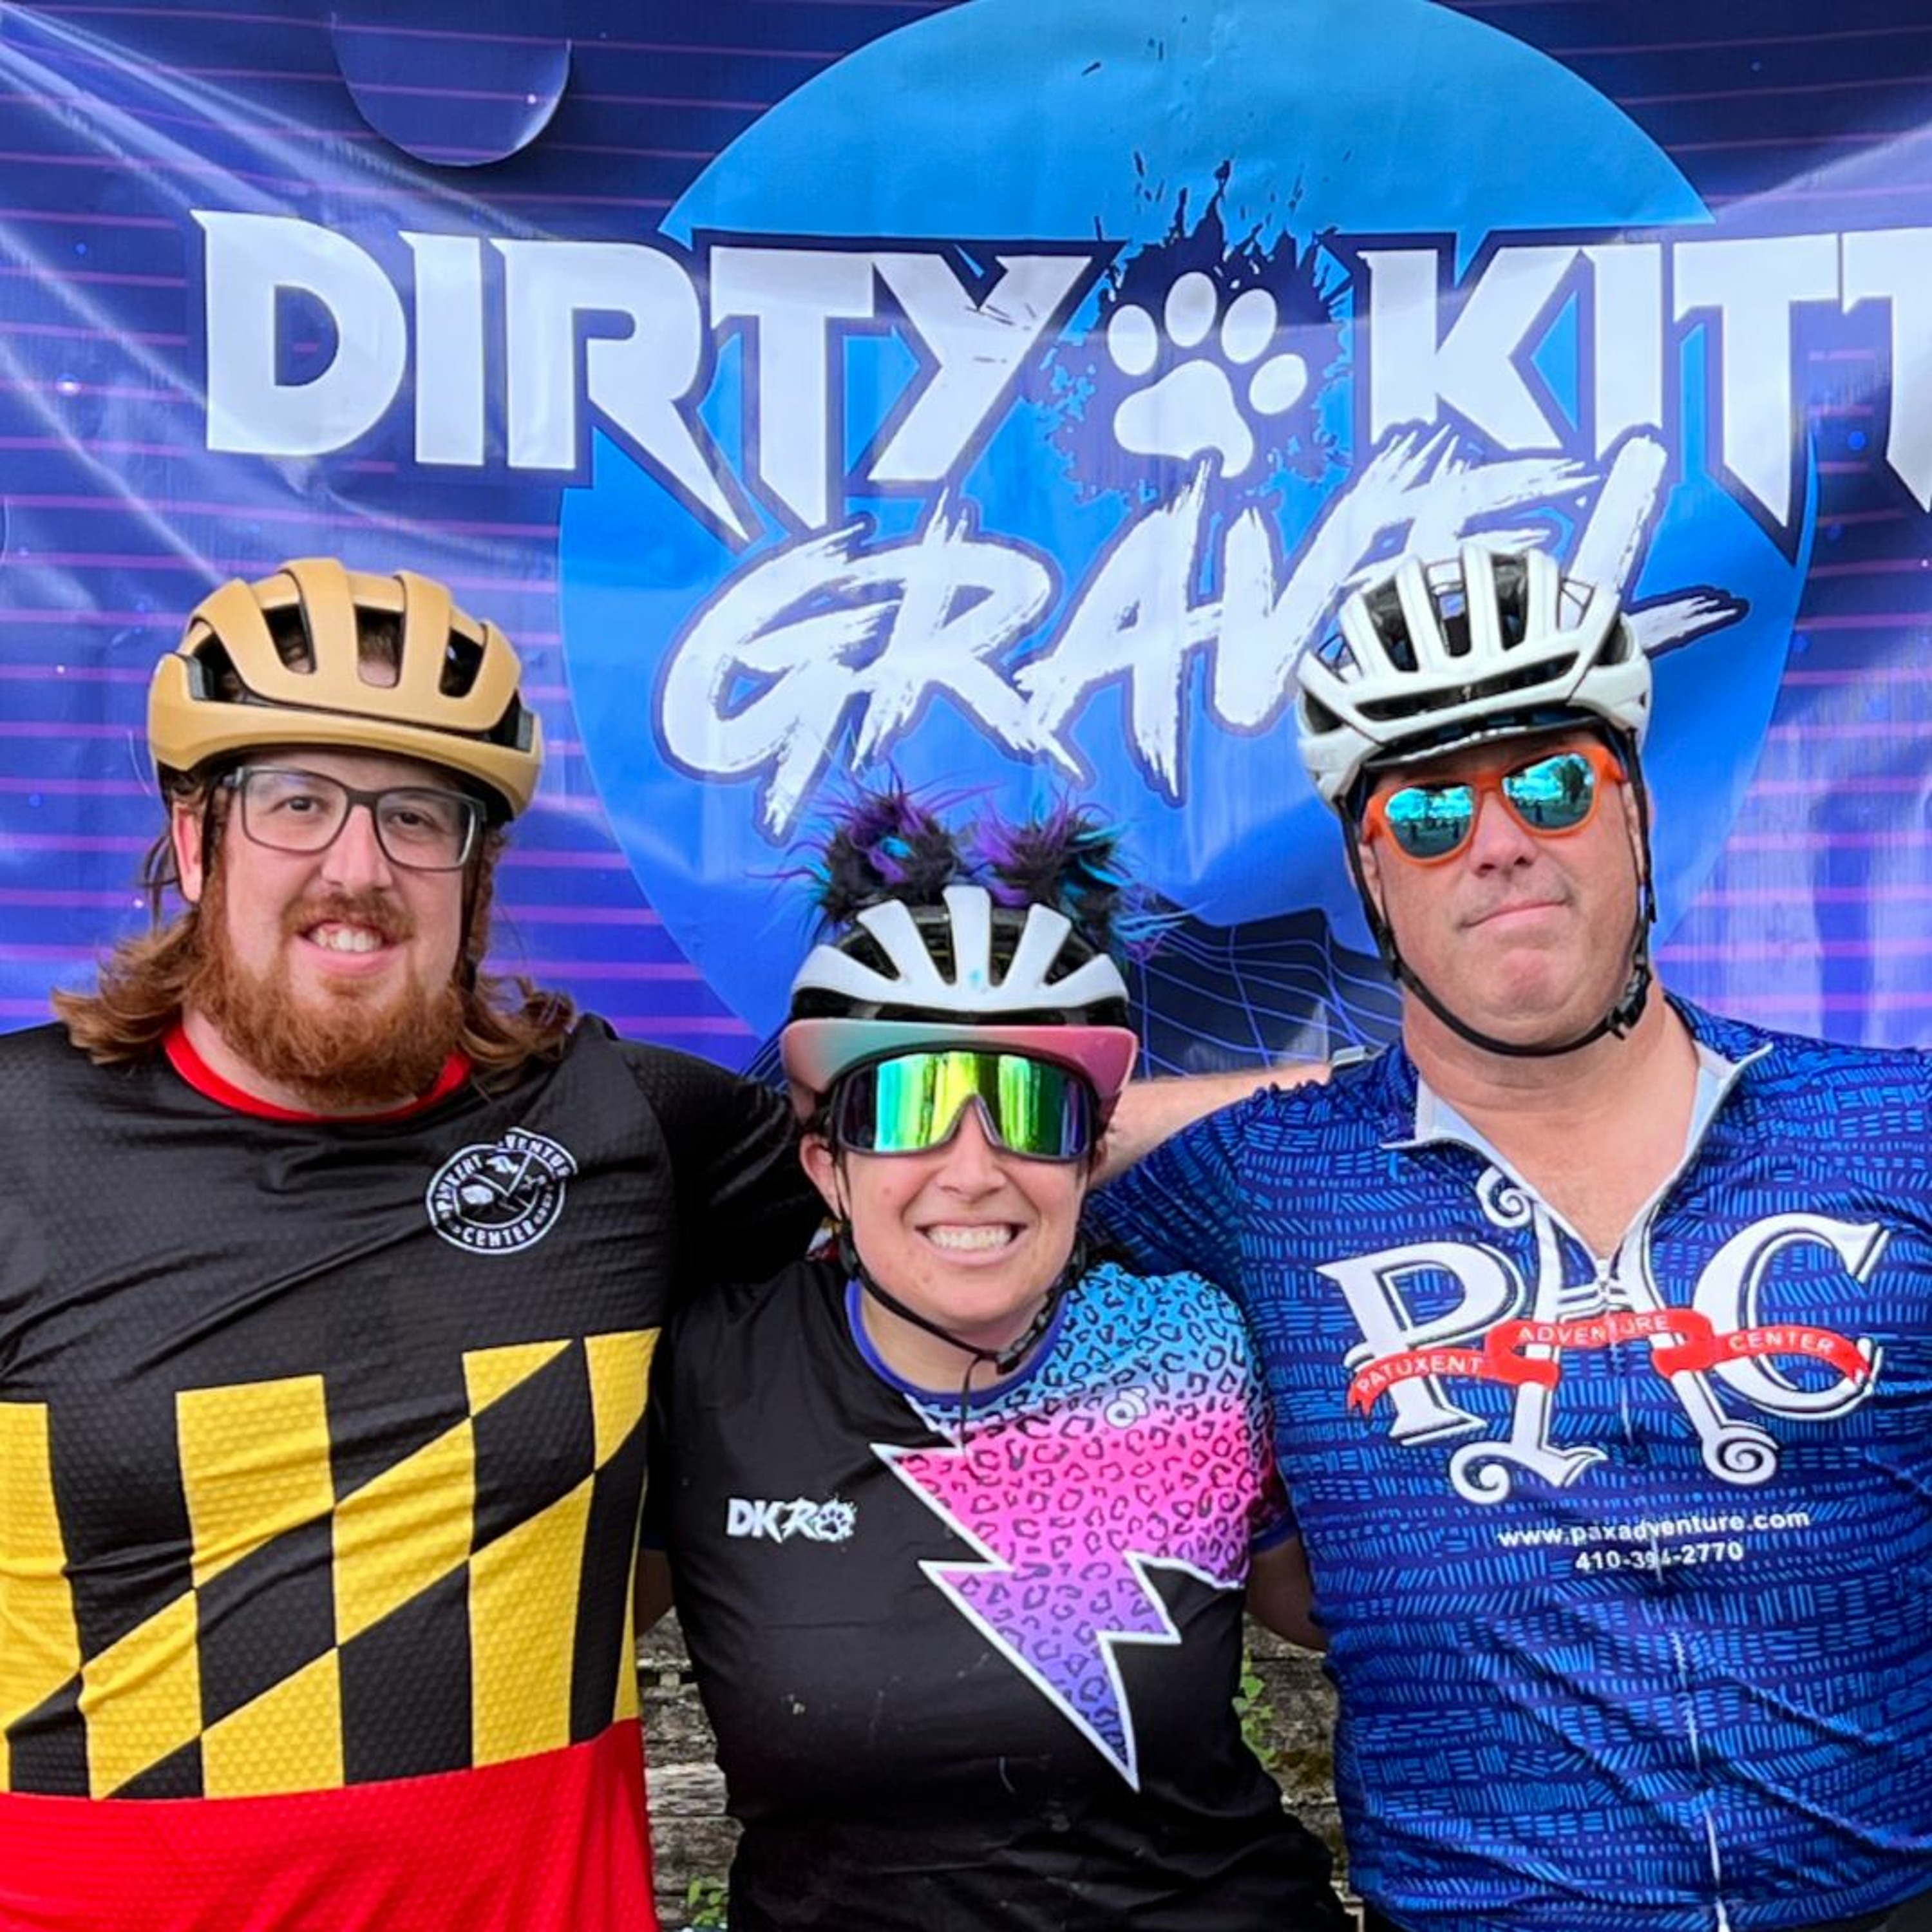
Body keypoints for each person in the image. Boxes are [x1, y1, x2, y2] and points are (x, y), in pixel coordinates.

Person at [1092, 544, 1932, 1932]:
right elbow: (970, 1152)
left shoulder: (1893, 1128)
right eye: (1426, 812)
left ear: (1636, 815)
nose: (1496, 840)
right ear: (1371, 875)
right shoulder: (1264, 1178)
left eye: (1551, 784)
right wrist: (1346, 1088)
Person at [0, 559, 822, 1932]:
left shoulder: (619, 1124)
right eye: (297, 801)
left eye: (417, 816)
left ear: (477, 879)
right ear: (197, 842)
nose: (358, 868)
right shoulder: (15, 1144)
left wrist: (1163, 1107)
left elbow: (957, 1173)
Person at [640, 796, 1349, 1932]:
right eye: (911, 1105)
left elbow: (1354, 1612)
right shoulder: (710, 1371)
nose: (973, 1172)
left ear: (1092, 1153)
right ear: (825, 1165)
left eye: (1028, 1106)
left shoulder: (1197, 1349)